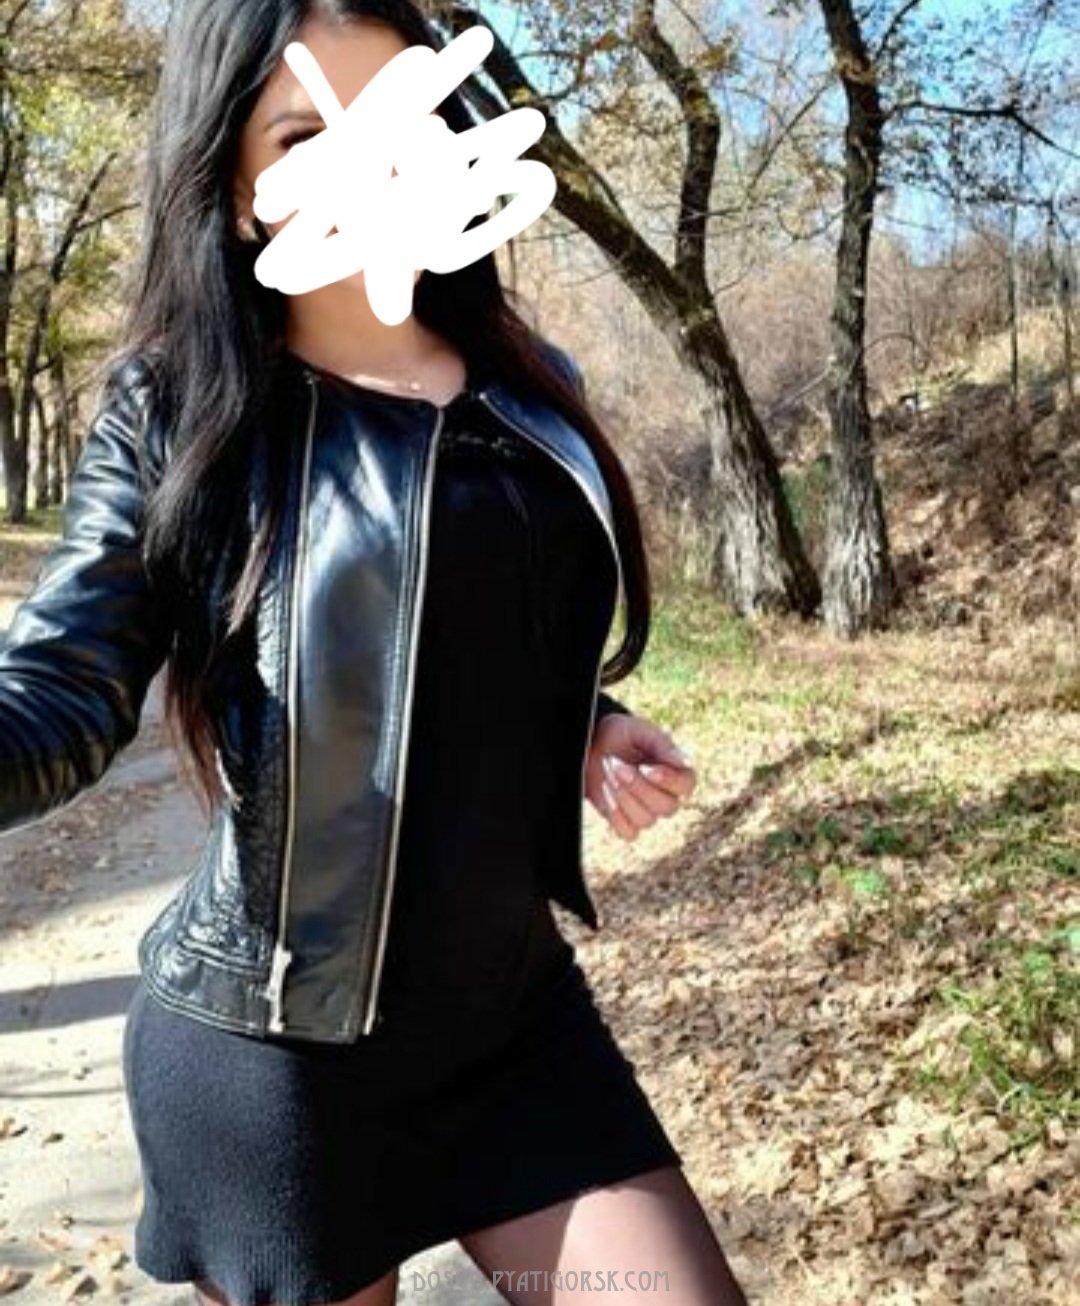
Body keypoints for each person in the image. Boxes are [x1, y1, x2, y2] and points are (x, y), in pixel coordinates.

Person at [0, 2, 751, 1303]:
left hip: (516, 1029)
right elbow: (62, 689)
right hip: (278, 1067)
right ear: (234, 190)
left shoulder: (529, 382)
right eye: (306, 136)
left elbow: (477, 630)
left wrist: (586, 725)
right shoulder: (184, 408)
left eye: (391, 121)